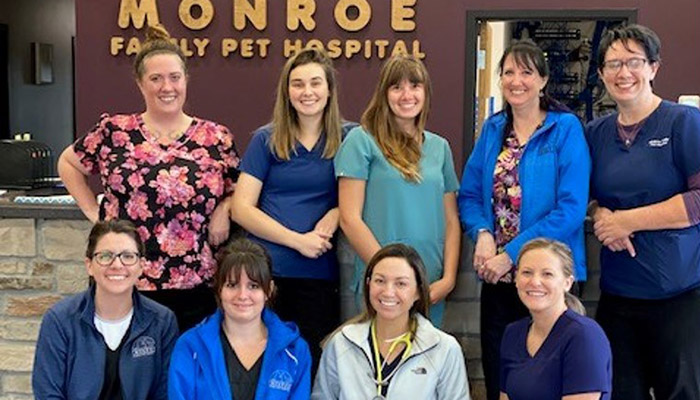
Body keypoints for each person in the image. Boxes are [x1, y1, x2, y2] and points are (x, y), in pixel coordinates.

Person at [57, 24, 240, 331]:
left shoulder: (215, 137)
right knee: (124, 373)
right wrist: (94, 213)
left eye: (174, 77)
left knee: (184, 374)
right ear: (141, 84)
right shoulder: (115, 130)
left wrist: (224, 208)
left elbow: (240, 188)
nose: (166, 87)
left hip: (195, 283)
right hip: (125, 278)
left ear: (186, 81)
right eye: (155, 78)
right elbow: (68, 163)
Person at [457, 39, 591, 400]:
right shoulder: (493, 129)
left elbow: (571, 208)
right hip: (498, 278)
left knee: (552, 375)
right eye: (509, 72)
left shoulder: (565, 129)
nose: (517, 80)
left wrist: (512, 254)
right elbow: (469, 195)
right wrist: (483, 233)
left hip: (547, 276)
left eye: (527, 72)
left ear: (543, 80)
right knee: (501, 374)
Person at [586, 24, 700, 399]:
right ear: (601, 73)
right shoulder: (596, 134)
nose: (624, 73)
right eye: (614, 63)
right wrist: (602, 215)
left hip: (679, 298)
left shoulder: (685, 123)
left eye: (634, 62)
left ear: (653, 67)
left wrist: (625, 221)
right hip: (618, 299)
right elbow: (586, 196)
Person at [231, 48, 353, 370]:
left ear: (329, 89)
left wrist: (336, 212)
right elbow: (241, 209)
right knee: (261, 367)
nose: (307, 92)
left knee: (310, 366)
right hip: (265, 274)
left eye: (315, 83)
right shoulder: (265, 139)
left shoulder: (351, 138)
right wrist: (298, 240)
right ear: (287, 91)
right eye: (298, 84)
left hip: (318, 275)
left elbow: (365, 195)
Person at [335, 54, 460, 326]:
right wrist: (391, 277)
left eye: (415, 86)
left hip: (430, 284)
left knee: (424, 365)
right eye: (396, 87)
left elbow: (451, 220)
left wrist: (448, 279)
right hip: (382, 287)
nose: (407, 95)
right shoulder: (361, 141)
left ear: (426, 92)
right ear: (384, 93)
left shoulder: (440, 148)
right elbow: (349, 218)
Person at [32, 220, 178, 399]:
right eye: (105, 256)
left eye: (128, 256)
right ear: (89, 265)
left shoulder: (162, 321)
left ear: (141, 266)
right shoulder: (60, 320)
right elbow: (48, 394)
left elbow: (165, 393)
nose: (117, 265)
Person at [312, 243, 469, 399]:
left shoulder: (445, 349)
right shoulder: (340, 344)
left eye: (401, 284)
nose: (388, 292)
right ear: (368, 285)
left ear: (418, 292)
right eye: (380, 281)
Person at [168, 238, 312, 400]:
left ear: (269, 290)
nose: (242, 296)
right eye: (232, 285)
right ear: (219, 289)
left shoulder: (295, 351)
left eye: (253, 286)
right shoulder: (190, 346)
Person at [499, 238, 612, 400]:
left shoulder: (584, 336)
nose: (535, 281)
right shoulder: (512, 333)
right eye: (527, 272)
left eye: (547, 274)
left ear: (567, 283)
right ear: (515, 279)